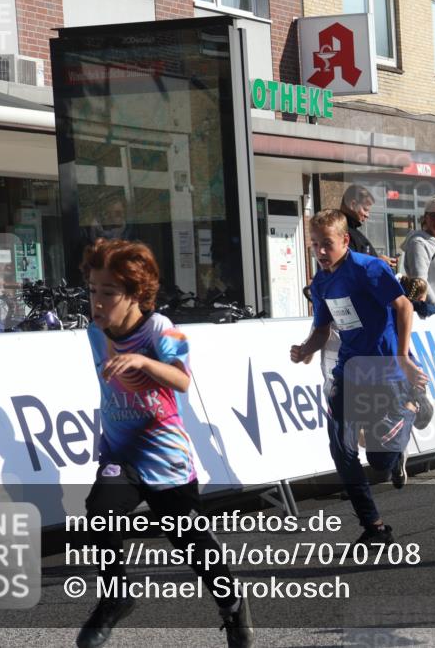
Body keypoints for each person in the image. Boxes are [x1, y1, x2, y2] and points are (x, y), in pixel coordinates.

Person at [79, 239, 253, 648]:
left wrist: (142, 361)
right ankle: (115, 596)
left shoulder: (161, 329)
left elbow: (182, 380)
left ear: (136, 294)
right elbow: (107, 360)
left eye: (108, 293)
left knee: (189, 542)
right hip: (121, 452)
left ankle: (232, 608)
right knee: (99, 510)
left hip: (165, 455)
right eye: (92, 291)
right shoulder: (94, 330)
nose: (97, 302)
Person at [290, 210, 428, 543]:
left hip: (384, 369)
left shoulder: (369, 269)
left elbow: (404, 307)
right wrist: (306, 348)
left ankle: (412, 407)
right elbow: (323, 329)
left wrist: (403, 357)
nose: (321, 253)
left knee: (379, 460)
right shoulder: (321, 282)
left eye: (327, 245)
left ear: (345, 240)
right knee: (342, 450)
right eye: (315, 245)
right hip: (349, 372)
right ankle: (374, 527)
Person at [339, 185, 397, 269]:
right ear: (353, 204)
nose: (367, 215)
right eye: (365, 209)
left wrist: (378, 259)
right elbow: (350, 265)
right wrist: (377, 261)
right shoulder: (341, 231)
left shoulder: (351, 230)